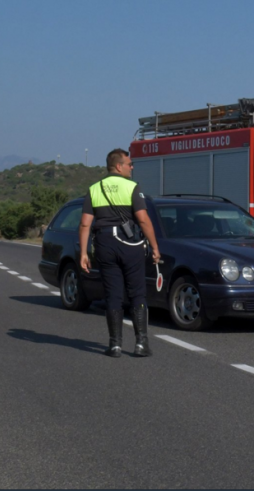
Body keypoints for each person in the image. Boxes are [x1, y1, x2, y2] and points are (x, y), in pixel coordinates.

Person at [79, 149, 161, 358]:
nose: (132, 167)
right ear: (119, 166)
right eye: (129, 164)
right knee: (136, 293)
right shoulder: (132, 187)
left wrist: (84, 253)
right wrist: (154, 247)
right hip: (129, 244)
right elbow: (142, 219)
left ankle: (114, 345)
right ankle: (141, 343)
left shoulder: (94, 189)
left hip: (104, 244)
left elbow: (85, 224)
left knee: (112, 294)